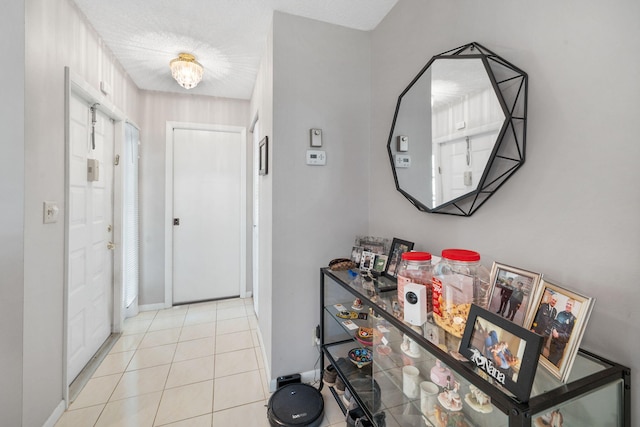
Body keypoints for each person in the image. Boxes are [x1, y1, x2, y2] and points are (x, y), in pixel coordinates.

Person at [547, 298, 577, 366]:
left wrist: (558, 335)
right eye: (567, 303)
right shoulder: (560, 313)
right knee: (548, 358)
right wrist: (554, 329)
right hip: (553, 343)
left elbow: (569, 336)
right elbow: (555, 323)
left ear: (573, 306)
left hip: (559, 348)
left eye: (570, 304)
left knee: (552, 363)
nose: (568, 305)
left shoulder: (573, 319)